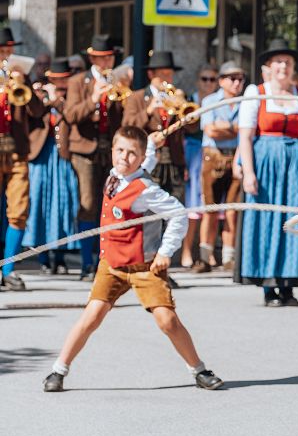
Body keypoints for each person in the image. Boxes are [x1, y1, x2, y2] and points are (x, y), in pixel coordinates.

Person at [41, 126, 223, 392]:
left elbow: (178, 214)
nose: (124, 157)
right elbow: (144, 161)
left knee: (167, 321)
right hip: (111, 263)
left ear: (138, 158)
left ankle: (199, 369)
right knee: (91, 317)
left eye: (131, 154)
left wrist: (164, 252)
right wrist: (150, 144)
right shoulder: (115, 174)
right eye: (120, 151)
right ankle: (58, 370)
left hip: (143, 266)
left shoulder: (145, 190)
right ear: (113, 150)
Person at [236, 39, 298, 306]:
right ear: (268, 66)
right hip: (265, 160)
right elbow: (245, 136)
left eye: (287, 62)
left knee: (296, 216)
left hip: (293, 164)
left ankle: (289, 284)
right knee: (266, 221)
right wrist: (249, 172)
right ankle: (268, 286)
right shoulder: (257, 92)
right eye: (278, 62)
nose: (283, 67)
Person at [63, 35, 126, 281]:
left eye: (110, 57)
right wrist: (93, 98)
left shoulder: (116, 82)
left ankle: (105, 259)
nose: (107, 62)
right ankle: (87, 263)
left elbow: (121, 118)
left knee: (108, 204)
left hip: (108, 149)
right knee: (88, 204)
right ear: (92, 59)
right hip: (85, 149)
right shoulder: (79, 81)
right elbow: (70, 115)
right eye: (102, 58)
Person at [0, 28, 47, 290]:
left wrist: (24, 83)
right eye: (2, 51)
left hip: (17, 152)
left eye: (8, 50)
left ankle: (8, 270)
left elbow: (38, 111)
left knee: (18, 212)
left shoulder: (20, 76)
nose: (6, 56)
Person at [24, 58, 79, 275]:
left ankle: (61, 256)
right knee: (39, 203)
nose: (59, 84)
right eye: (55, 80)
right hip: (41, 154)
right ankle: (43, 257)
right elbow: (33, 113)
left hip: (63, 155)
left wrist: (58, 101)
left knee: (63, 203)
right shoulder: (39, 95)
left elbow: (74, 116)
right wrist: (43, 97)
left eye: (63, 80)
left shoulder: (73, 97)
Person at [196, 62, 245, 272]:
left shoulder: (247, 102)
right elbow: (211, 130)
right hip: (213, 157)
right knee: (210, 209)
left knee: (233, 210)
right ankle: (205, 257)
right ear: (222, 81)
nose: (237, 83)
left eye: (241, 79)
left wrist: (226, 127)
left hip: (236, 157)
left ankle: (228, 257)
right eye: (232, 78)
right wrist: (234, 129)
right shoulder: (209, 100)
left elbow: (246, 130)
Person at [123, 51, 189, 203]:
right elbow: (127, 126)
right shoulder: (137, 97)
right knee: (150, 209)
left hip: (174, 162)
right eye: (164, 75)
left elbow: (192, 128)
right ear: (151, 74)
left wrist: (182, 105)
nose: (168, 79)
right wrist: (148, 111)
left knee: (175, 207)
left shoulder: (176, 97)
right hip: (148, 160)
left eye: (170, 75)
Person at [181, 65, 219, 268]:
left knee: (210, 206)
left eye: (212, 79)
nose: (208, 83)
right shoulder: (190, 100)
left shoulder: (221, 101)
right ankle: (186, 250)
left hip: (212, 155)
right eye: (205, 79)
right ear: (198, 81)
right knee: (193, 208)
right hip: (193, 154)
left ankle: (207, 251)